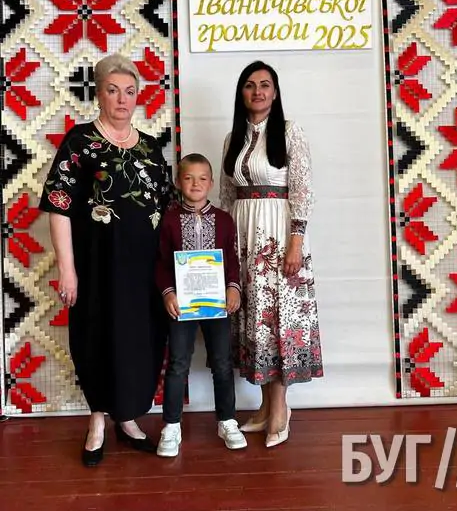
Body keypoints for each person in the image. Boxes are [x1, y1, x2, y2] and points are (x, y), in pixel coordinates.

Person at [39, 53, 171, 466]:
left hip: (145, 270)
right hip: (97, 268)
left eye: (129, 91)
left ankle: (127, 418)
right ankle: (97, 421)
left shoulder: (150, 148)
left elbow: (169, 209)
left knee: (140, 341)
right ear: (98, 94)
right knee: (97, 339)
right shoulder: (80, 142)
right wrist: (67, 270)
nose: (122, 99)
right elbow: (58, 206)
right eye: (113, 91)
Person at [220, 60, 323, 448]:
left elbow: (303, 190)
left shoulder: (290, 132)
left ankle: (280, 409)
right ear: (241, 93)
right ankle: (265, 407)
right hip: (243, 237)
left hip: (278, 237)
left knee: (276, 318)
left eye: (265, 85)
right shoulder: (232, 139)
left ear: (275, 93)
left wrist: (296, 241)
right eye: (250, 85)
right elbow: (226, 197)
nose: (258, 91)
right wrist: (223, 245)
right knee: (254, 320)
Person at [155, 153, 247, 457]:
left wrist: (233, 288)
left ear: (211, 183)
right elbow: (161, 263)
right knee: (178, 363)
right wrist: (168, 293)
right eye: (188, 178)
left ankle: (227, 420)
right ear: (178, 182)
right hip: (181, 305)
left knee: (222, 362)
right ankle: (171, 426)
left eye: (202, 178)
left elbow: (231, 260)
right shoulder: (169, 220)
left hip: (216, 304)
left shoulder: (224, 220)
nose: (195, 184)